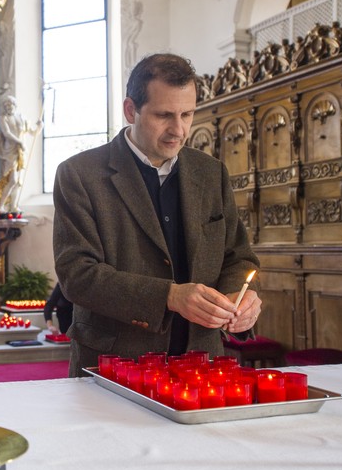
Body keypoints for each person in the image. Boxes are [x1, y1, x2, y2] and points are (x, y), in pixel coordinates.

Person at [52, 53, 262, 377]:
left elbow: (238, 257)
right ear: (130, 110)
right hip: (114, 366)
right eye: (164, 115)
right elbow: (77, 275)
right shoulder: (79, 175)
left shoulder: (211, 173)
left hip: (201, 365)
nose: (178, 130)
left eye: (187, 114)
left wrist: (238, 299)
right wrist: (170, 296)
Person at [0, 94, 38, 213]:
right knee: (12, 180)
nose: (8, 107)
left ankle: (13, 206)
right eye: (6, 105)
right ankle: (1, 206)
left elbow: (32, 132)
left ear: (15, 105)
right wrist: (20, 142)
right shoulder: (3, 118)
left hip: (21, 151)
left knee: (19, 182)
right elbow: (7, 133)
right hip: (10, 151)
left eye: (10, 104)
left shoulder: (22, 117)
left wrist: (39, 127)